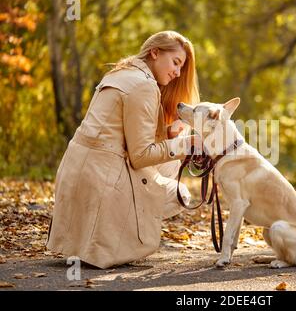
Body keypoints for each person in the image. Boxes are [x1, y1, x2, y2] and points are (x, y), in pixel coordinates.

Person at [46, 31, 202, 269]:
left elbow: (122, 134)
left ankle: (98, 233)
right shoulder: (145, 86)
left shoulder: (120, 72)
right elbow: (140, 156)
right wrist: (185, 145)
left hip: (77, 171)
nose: (177, 73)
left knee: (170, 162)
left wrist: (168, 134)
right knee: (182, 193)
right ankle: (118, 236)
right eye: (176, 63)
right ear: (155, 52)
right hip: (102, 178)